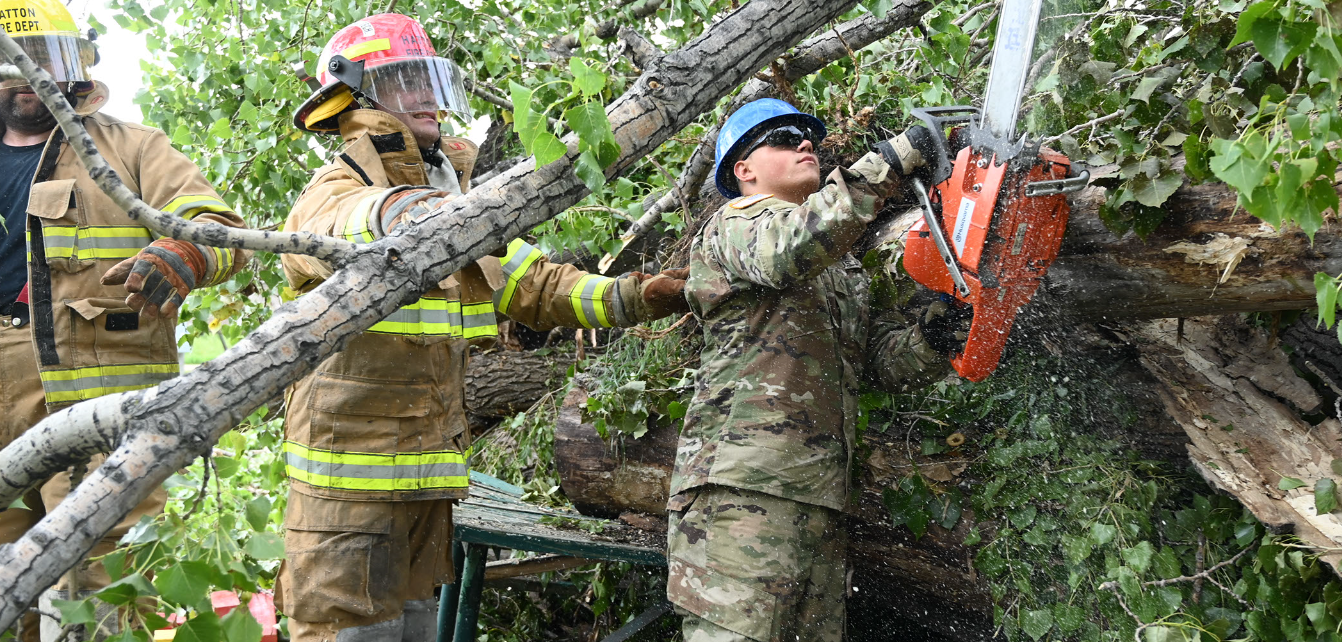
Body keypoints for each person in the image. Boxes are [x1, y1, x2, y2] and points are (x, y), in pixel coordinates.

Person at [279, 13, 688, 642]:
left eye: (429, 77)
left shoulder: (456, 196)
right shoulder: (343, 183)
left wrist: (633, 296)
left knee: (414, 629)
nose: (426, 96)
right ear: (355, 94)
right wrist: (417, 211)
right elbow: (326, 232)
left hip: (427, 475)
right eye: (404, 79)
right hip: (345, 487)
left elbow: (534, 282)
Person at [667, 98, 968, 641]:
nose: (807, 143)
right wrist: (892, 160)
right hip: (742, 494)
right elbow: (787, 249)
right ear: (744, 169)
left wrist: (934, 337)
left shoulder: (841, 266)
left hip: (822, 498)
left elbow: (875, 365)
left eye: (811, 137)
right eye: (784, 136)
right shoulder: (734, 228)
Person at [0, 1, 250, 639]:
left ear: (74, 65)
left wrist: (185, 251)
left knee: (98, 578)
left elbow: (223, 232)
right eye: (9, 60)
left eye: (42, 60)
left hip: (92, 404)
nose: (25, 76)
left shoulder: (133, 147)